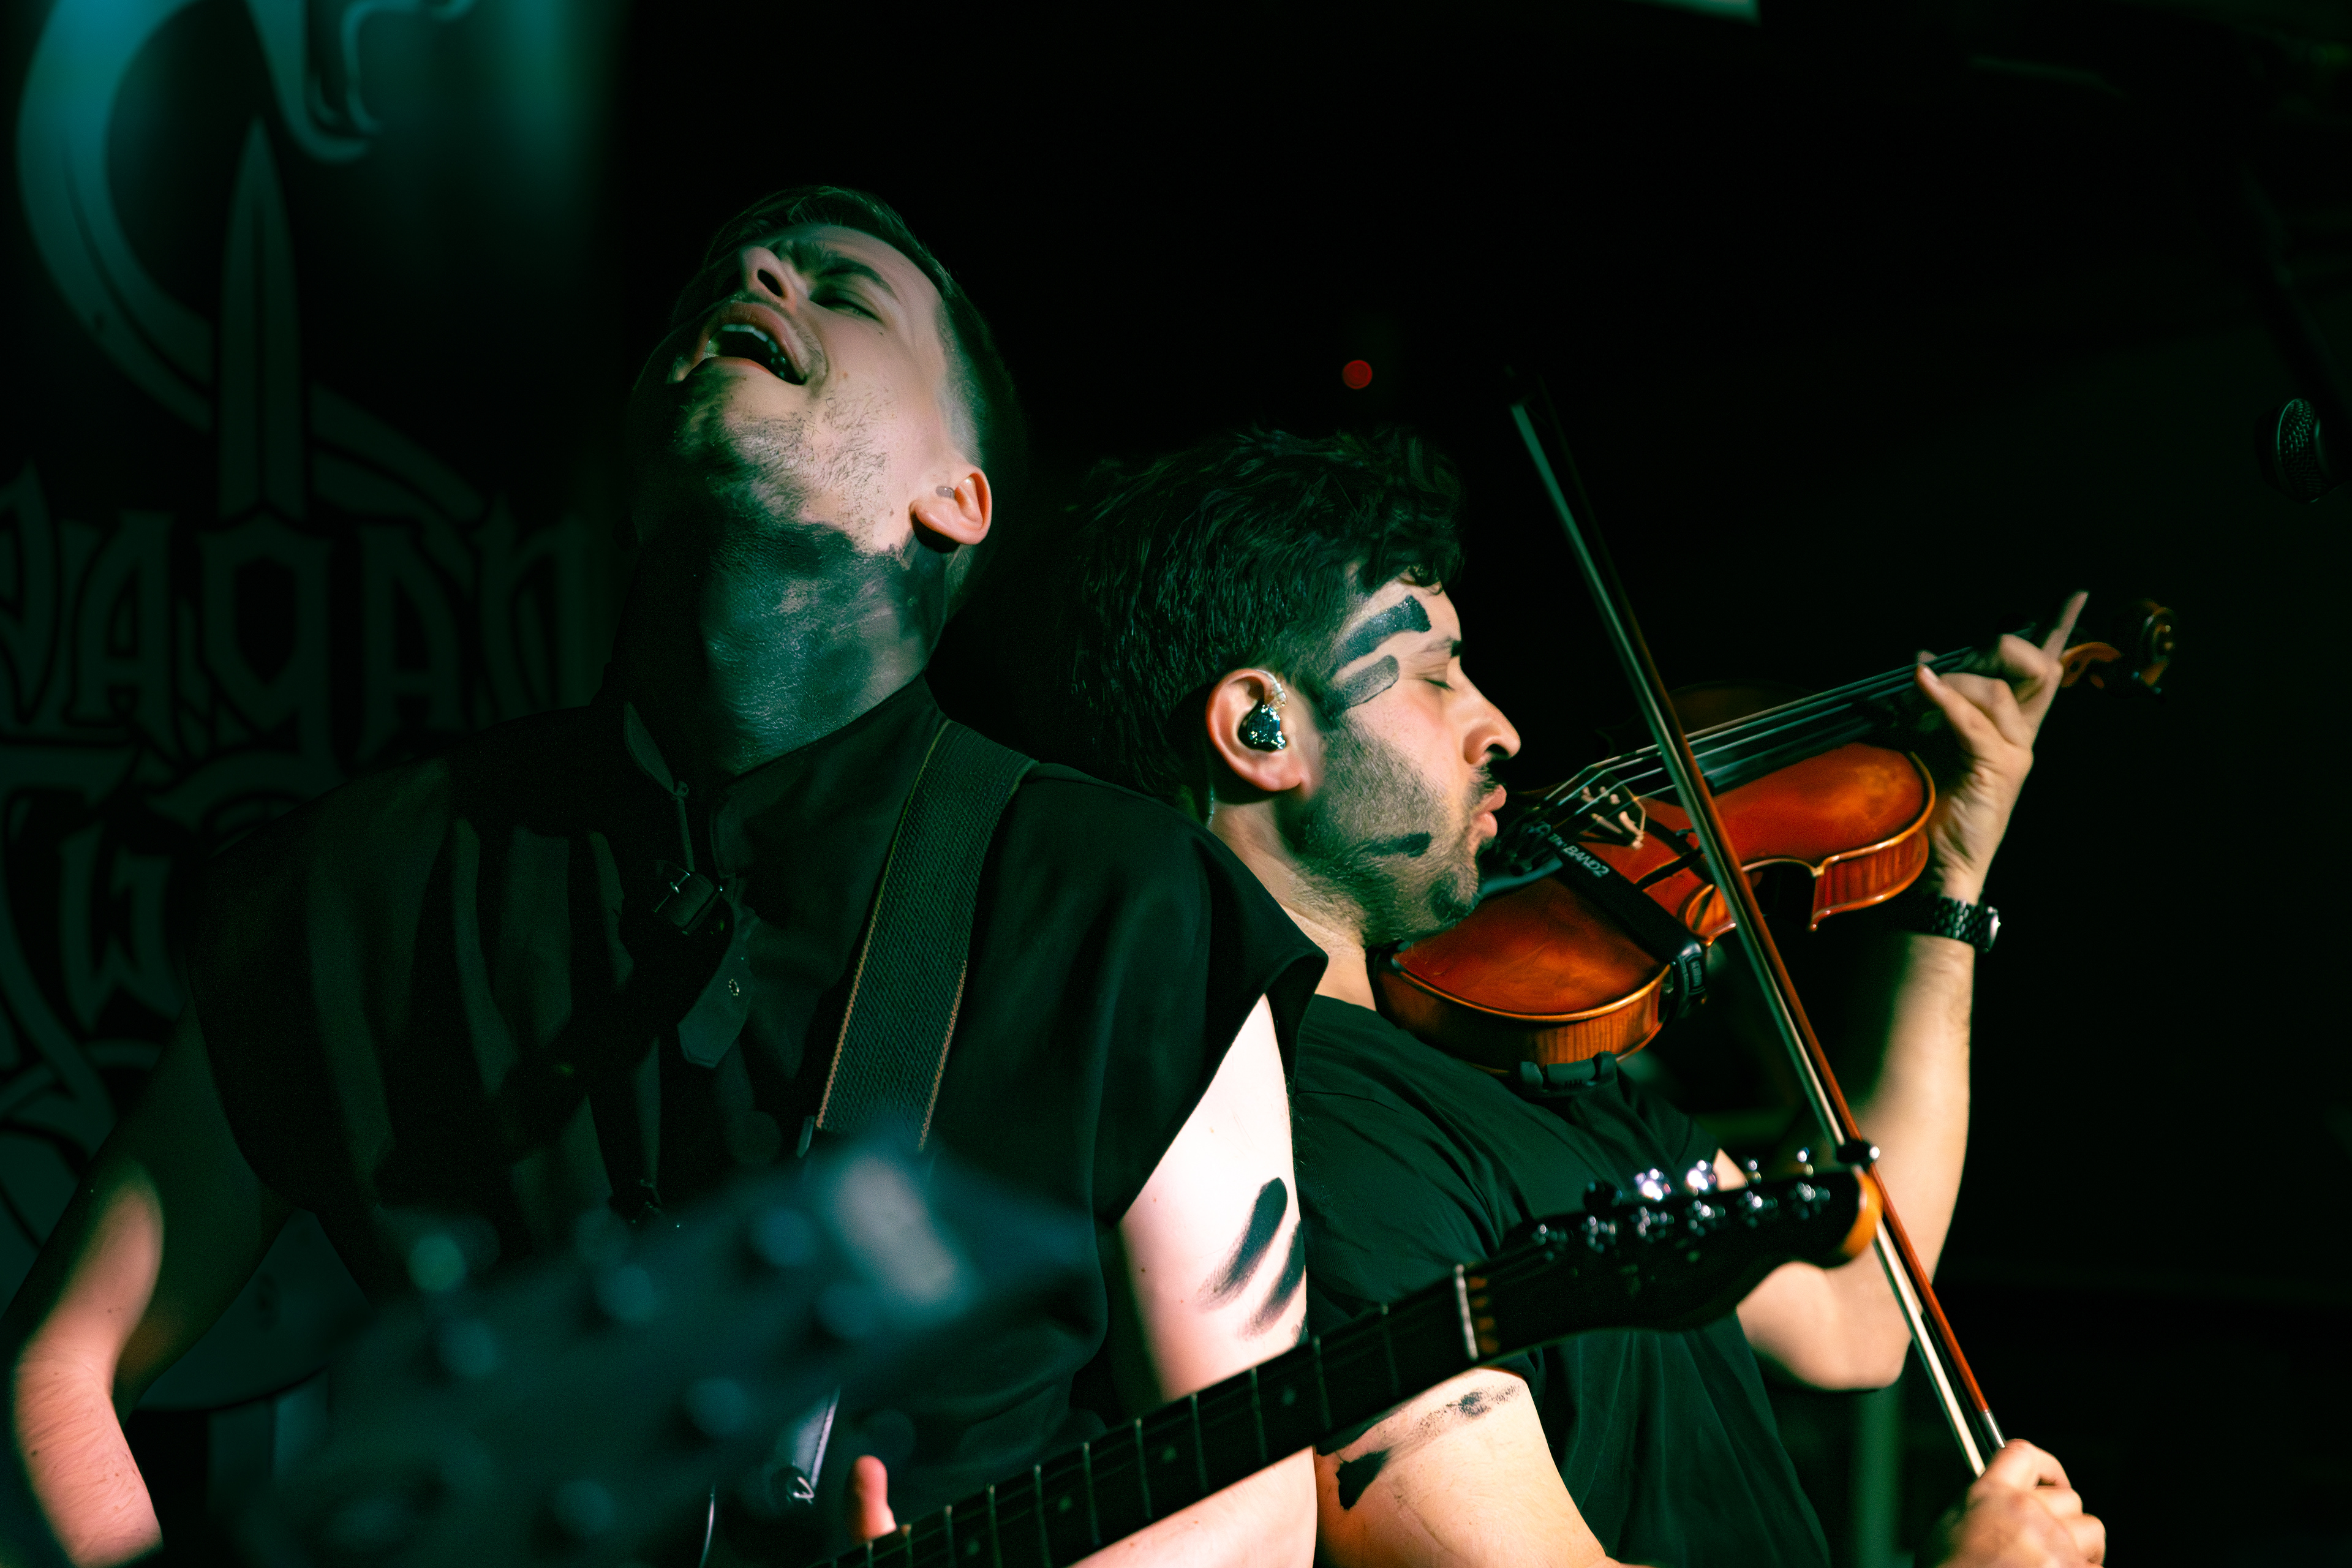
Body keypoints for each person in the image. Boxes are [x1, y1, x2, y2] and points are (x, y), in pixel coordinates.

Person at [2, 190, 1324, 1568]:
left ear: (955, 497)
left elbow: (1255, 1494)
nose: (751, 270)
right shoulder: (363, 877)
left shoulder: (1124, 900)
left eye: (845, 292)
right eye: (719, 281)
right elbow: (54, 1364)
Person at [1048, 427, 2109, 1568]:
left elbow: (1857, 1315)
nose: (1500, 727)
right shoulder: (1297, 1129)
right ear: (1262, 729)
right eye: (1437, 676)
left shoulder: (1522, 1060)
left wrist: (1949, 890)